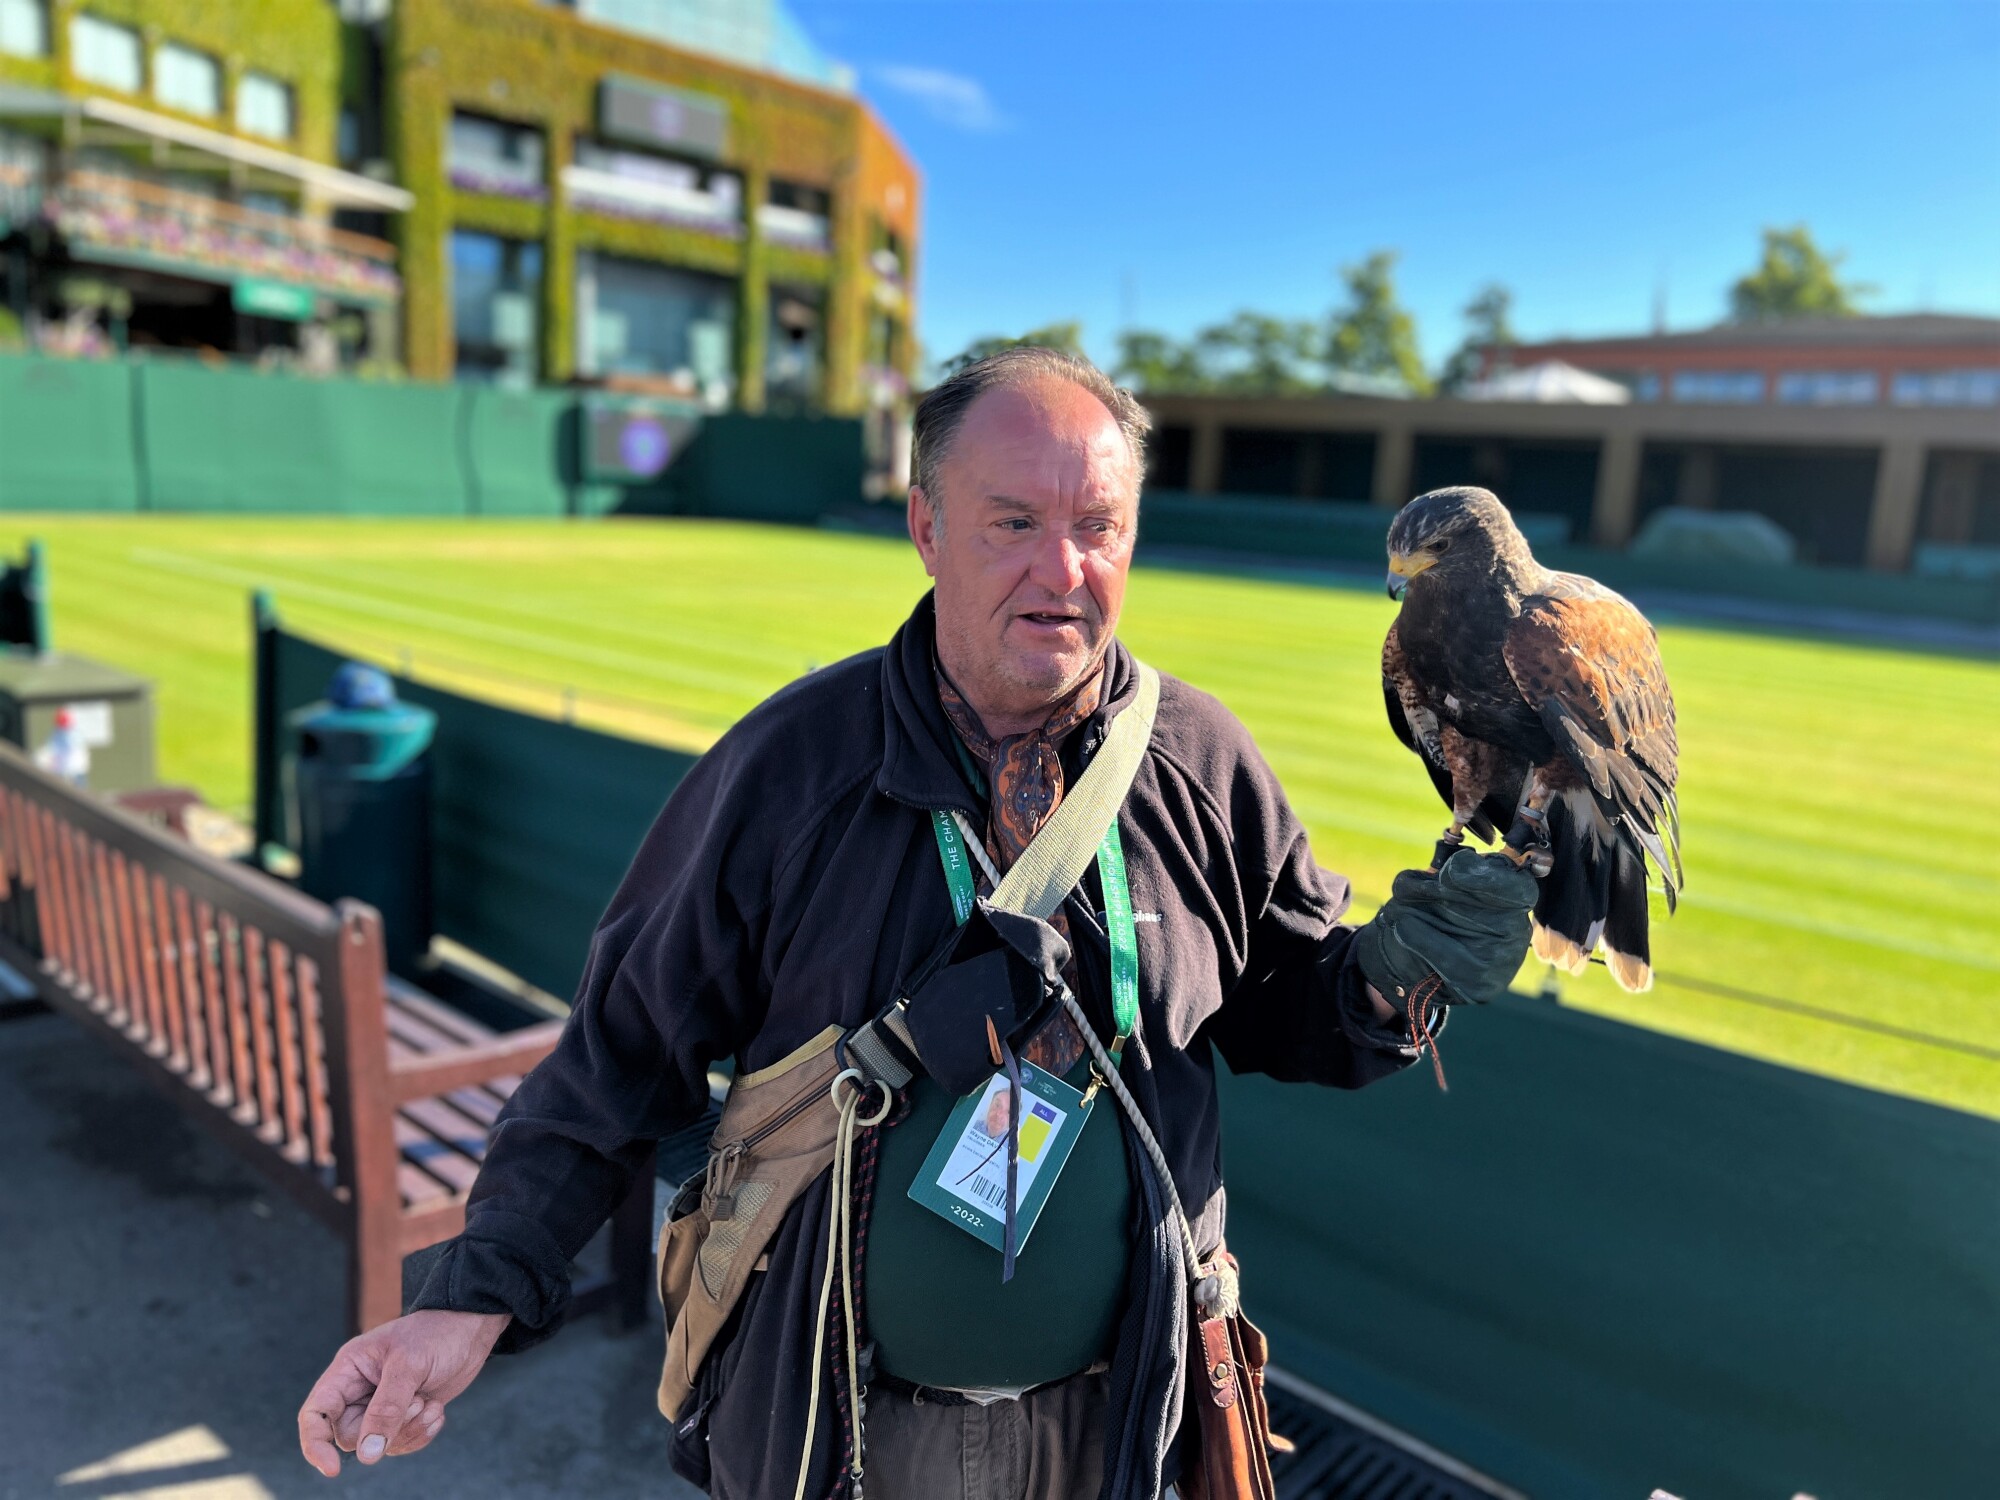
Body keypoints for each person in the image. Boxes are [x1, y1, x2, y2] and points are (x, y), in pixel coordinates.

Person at [297, 348, 1537, 1499]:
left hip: (1125, 1429)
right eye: (1014, 523)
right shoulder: (790, 764)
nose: (1063, 570)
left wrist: (1390, 977)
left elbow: (1292, 1008)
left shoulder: (1201, 760)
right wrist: (468, 1297)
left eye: (1098, 527)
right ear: (924, 527)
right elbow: (617, 1054)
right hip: (841, 1432)